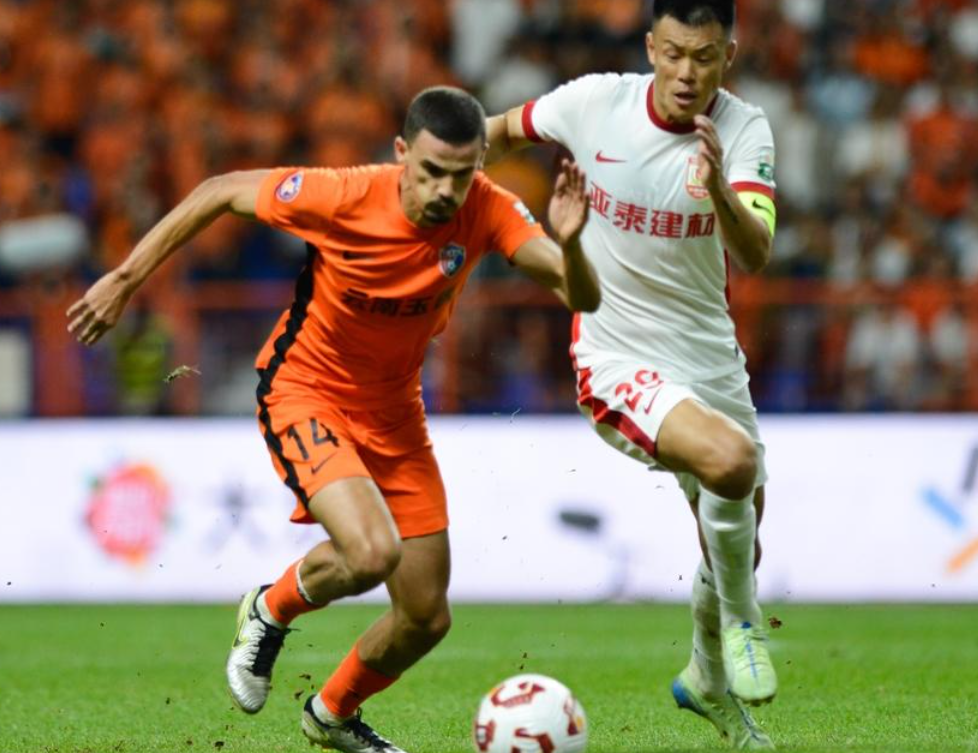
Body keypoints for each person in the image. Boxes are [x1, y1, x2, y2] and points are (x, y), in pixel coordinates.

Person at [68, 86, 599, 753]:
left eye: (461, 175)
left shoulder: (487, 207)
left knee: (426, 616)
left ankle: (332, 715)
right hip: (306, 389)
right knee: (371, 553)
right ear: (402, 153)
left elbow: (579, 293)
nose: (444, 190)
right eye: (431, 171)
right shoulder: (344, 195)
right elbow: (219, 190)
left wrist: (573, 247)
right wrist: (124, 280)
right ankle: (270, 608)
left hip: (396, 411)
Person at [485, 0, 778, 750]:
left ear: (728, 56)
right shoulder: (594, 104)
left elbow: (755, 253)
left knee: (740, 535)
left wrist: (719, 190)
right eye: (674, 54)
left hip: (710, 359)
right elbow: (499, 130)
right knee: (732, 462)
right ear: (651, 47)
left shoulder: (745, 130)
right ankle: (745, 625)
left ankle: (706, 679)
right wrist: (423, 175)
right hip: (616, 355)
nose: (687, 73)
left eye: (705, 58)